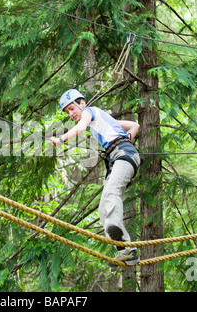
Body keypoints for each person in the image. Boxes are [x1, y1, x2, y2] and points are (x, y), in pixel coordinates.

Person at [50, 89, 141, 266]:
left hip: (123, 155)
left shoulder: (89, 111)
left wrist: (61, 139)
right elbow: (134, 126)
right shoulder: (102, 118)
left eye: (71, 109)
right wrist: (125, 139)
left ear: (81, 103)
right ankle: (126, 252)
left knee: (112, 192)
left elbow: (82, 127)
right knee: (102, 210)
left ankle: (118, 230)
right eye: (67, 112)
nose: (71, 114)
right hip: (117, 158)